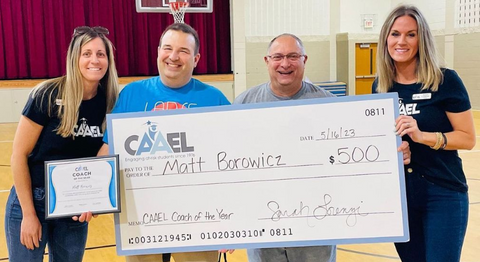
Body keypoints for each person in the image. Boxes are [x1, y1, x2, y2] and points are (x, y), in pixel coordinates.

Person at [235, 33, 411, 262]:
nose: (285, 63)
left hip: (316, 230)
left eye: (292, 56)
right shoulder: (243, 104)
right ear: (266, 61)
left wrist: (393, 152)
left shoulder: (331, 106)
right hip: (265, 231)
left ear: (304, 60)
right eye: (277, 57)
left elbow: (358, 154)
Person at [97, 23, 231, 262]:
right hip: (142, 217)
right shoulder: (131, 94)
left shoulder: (214, 99)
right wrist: (94, 192)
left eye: (183, 51)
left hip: (198, 220)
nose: (173, 56)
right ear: (158, 51)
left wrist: (232, 222)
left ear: (196, 58)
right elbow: (109, 150)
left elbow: (233, 162)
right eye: (167, 48)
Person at [4, 26, 119, 262]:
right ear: (74, 57)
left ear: (109, 60)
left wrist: (94, 199)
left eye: (101, 54)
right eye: (86, 53)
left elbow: (102, 159)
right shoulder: (47, 94)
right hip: (32, 201)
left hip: (74, 207)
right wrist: (28, 215)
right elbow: (18, 154)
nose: (94, 60)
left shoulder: (110, 101)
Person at [373, 5, 476, 262]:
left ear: (422, 39)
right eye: (395, 34)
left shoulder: (445, 80)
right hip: (402, 196)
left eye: (411, 34)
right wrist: (396, 151)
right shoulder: (381, 86)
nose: (402, 41)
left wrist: (423, 137)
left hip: (443, 192)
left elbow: (467, 138)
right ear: (386, 38)